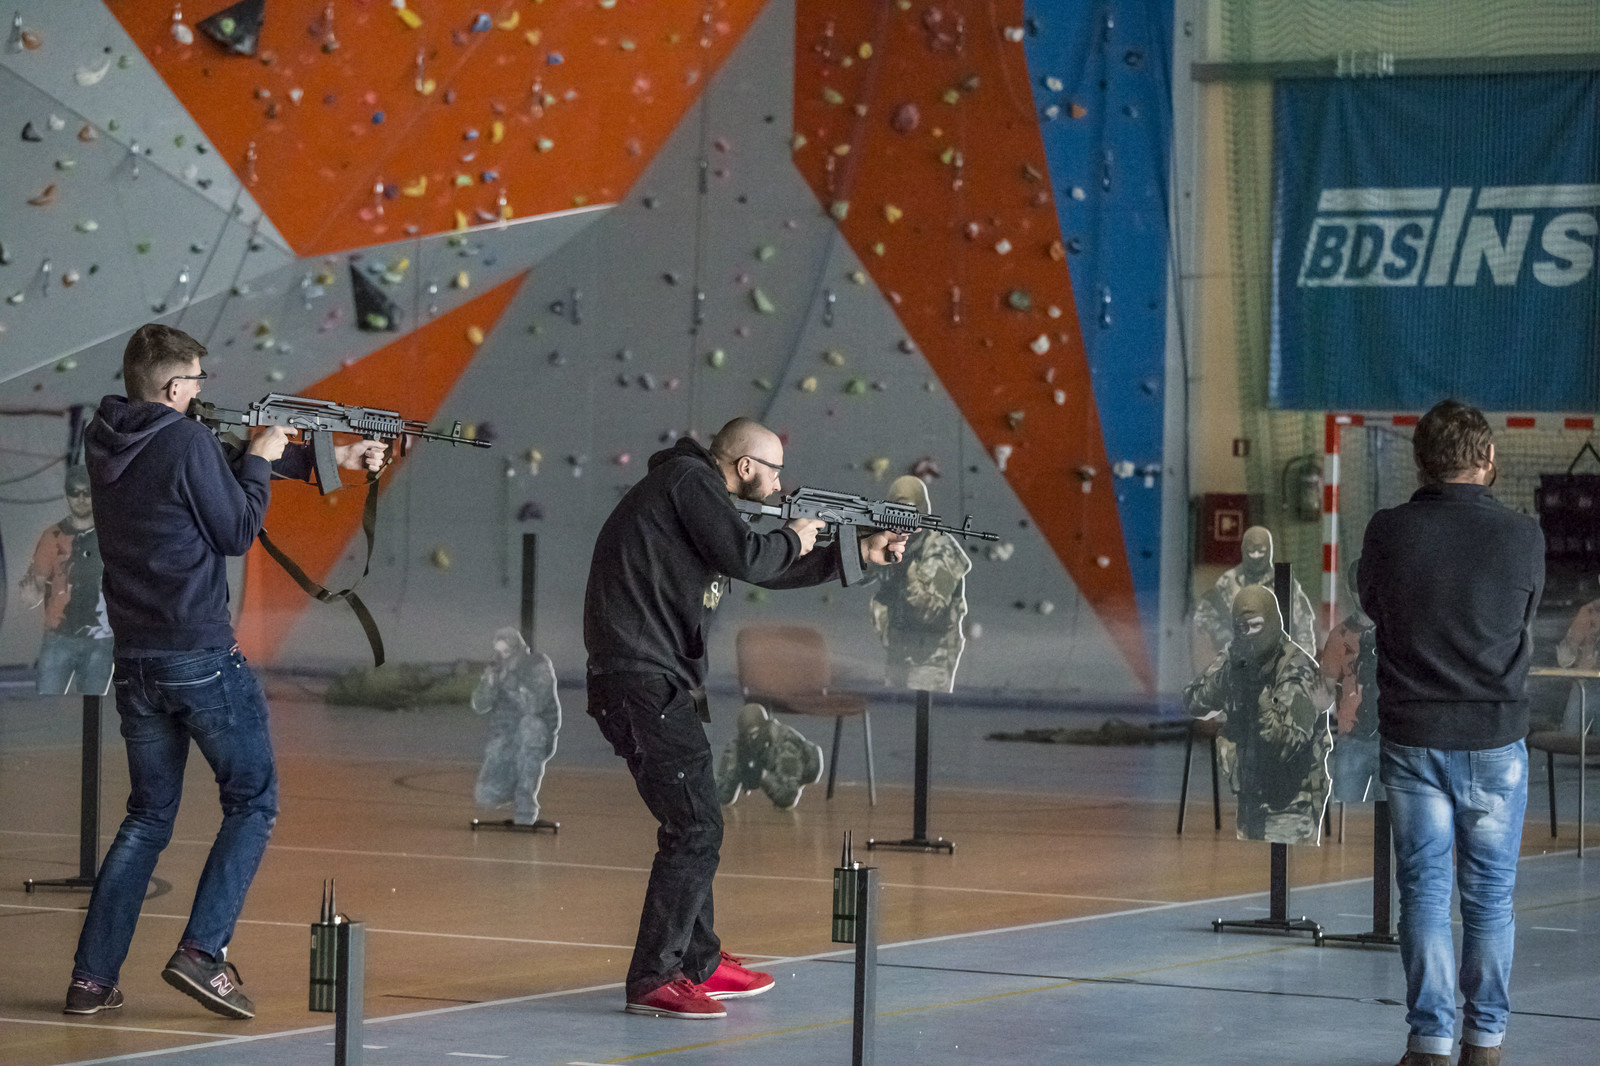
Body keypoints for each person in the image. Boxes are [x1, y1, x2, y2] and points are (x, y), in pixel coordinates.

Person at [63, 323, 386, 1019]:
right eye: (197, 380)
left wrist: (332, 457)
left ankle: (91, 979)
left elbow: (208, 466)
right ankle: (201, 953)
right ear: (175, 387)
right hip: (199, 655)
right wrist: (265, 456)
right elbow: (235, 527)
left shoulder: (108, 439)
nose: (202, 390)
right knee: (253, 801)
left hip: (138, 660)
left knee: (147, 818)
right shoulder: (183, 441)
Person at [583, 417, 907, 1020]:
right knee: (696, 827)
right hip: (641, 680)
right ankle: (656, 977)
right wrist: (795, 534)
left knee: (695, 822)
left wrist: (858, 553)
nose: (781, 483)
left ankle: (698, 961)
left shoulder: (693, 494)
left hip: (653, 681)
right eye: (775, 470)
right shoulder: (688, 480)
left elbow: (761, 565)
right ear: (745, 466)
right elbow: (753, 556)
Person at [1358, 399, 1544, 1066]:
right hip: (1495, 739)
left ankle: (1430, 1041)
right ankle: (1485, 1042)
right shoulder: (1523, 536)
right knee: (1490, 897)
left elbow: (1373, 604)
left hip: (1414, 738)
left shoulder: (1388, 530)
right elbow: (1525, 614)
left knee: (1424, 894)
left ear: (1421, 463)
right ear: (1489, 459)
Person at [1185, 585, 1332, 844]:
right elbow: (1193, 700)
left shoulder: (1297, 670)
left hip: (1290, 805)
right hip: (1250, 797)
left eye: (1256, 625)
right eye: (1241, 628)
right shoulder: (1237, 656)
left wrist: (1260, 700)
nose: (1249, 634)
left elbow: (1285, 744)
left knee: (1279, 865)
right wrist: (1228, 677)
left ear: (1272, 621)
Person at [867, 475, 971, 692]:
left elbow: (928, 611)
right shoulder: (890, 541)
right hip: (898, 648)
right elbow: (860, 575)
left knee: (923, 706)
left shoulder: (941, 549)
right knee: (895, 707)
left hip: (931, 655)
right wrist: (868, 550)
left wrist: (907, 571)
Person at [20, 466, 113, 695]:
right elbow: (34, 591)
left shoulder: (112, 535)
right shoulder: (51, 536)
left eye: (87, 492)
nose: (81, 498)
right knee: (47, 706)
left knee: (93, 710)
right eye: (74, 491)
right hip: (58, 638)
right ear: (66, 496)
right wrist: (30, 596)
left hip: (102, 641)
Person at [471, 627, 561, 826]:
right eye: (499, 652)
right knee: (486, 795)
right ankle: (514, 785)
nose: (502, 657)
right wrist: (489, 685)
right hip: (506, 736)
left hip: (536, 738)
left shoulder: (537, 665)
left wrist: (511, 683)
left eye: (506, 652)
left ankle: (525, 807)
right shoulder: (498, 668)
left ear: (517, 650)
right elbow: (479, 705)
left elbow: (534, 706)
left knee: (530, 727)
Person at [1192, 524, 1317, 659]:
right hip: (1237, 661)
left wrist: (1301, 659)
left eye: (1261, 552)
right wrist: (1222, 635)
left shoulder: (1282, 582)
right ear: (1244, 550)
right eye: (1251, 552)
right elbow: (1203, 616)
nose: (1256, 556)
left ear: (1269, 551)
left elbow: (1304, 624)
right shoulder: (1229, 581)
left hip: (1276, 660)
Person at [1318, 560, 1381, 803]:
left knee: (1390, 817)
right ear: (1349, 589)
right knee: (1345, 812)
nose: (1363, 595)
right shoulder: (1339, 637)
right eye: (1358, 588)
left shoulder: (1394, 633)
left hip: (1390, 739)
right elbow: (1324, 693)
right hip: (1353, 739)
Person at [714, 702, 825, 810]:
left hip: (801, 769)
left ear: (764, 728)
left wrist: (763, 775)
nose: (751, 739)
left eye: (754, 734)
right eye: (745, 735)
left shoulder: (785, 744)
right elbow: (721, 793)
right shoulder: (740, 744)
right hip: (766, 762)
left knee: (783, 796)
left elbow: (788, 796)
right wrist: (738, 773)